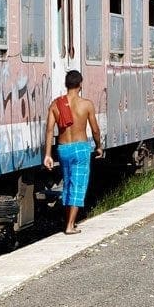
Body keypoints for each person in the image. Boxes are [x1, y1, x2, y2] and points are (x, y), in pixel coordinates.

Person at [43, 70, 103, 234]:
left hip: (63, 149)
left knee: (68, 183)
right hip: (81, 148)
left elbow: (49, 131)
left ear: (66, 84)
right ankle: (69, 226)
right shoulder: (86, 104)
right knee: (78, 185)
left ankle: (69, 221)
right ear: (80, 84)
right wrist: (99, 146)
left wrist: (48, 154)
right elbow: (95, 130)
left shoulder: (56, 105)